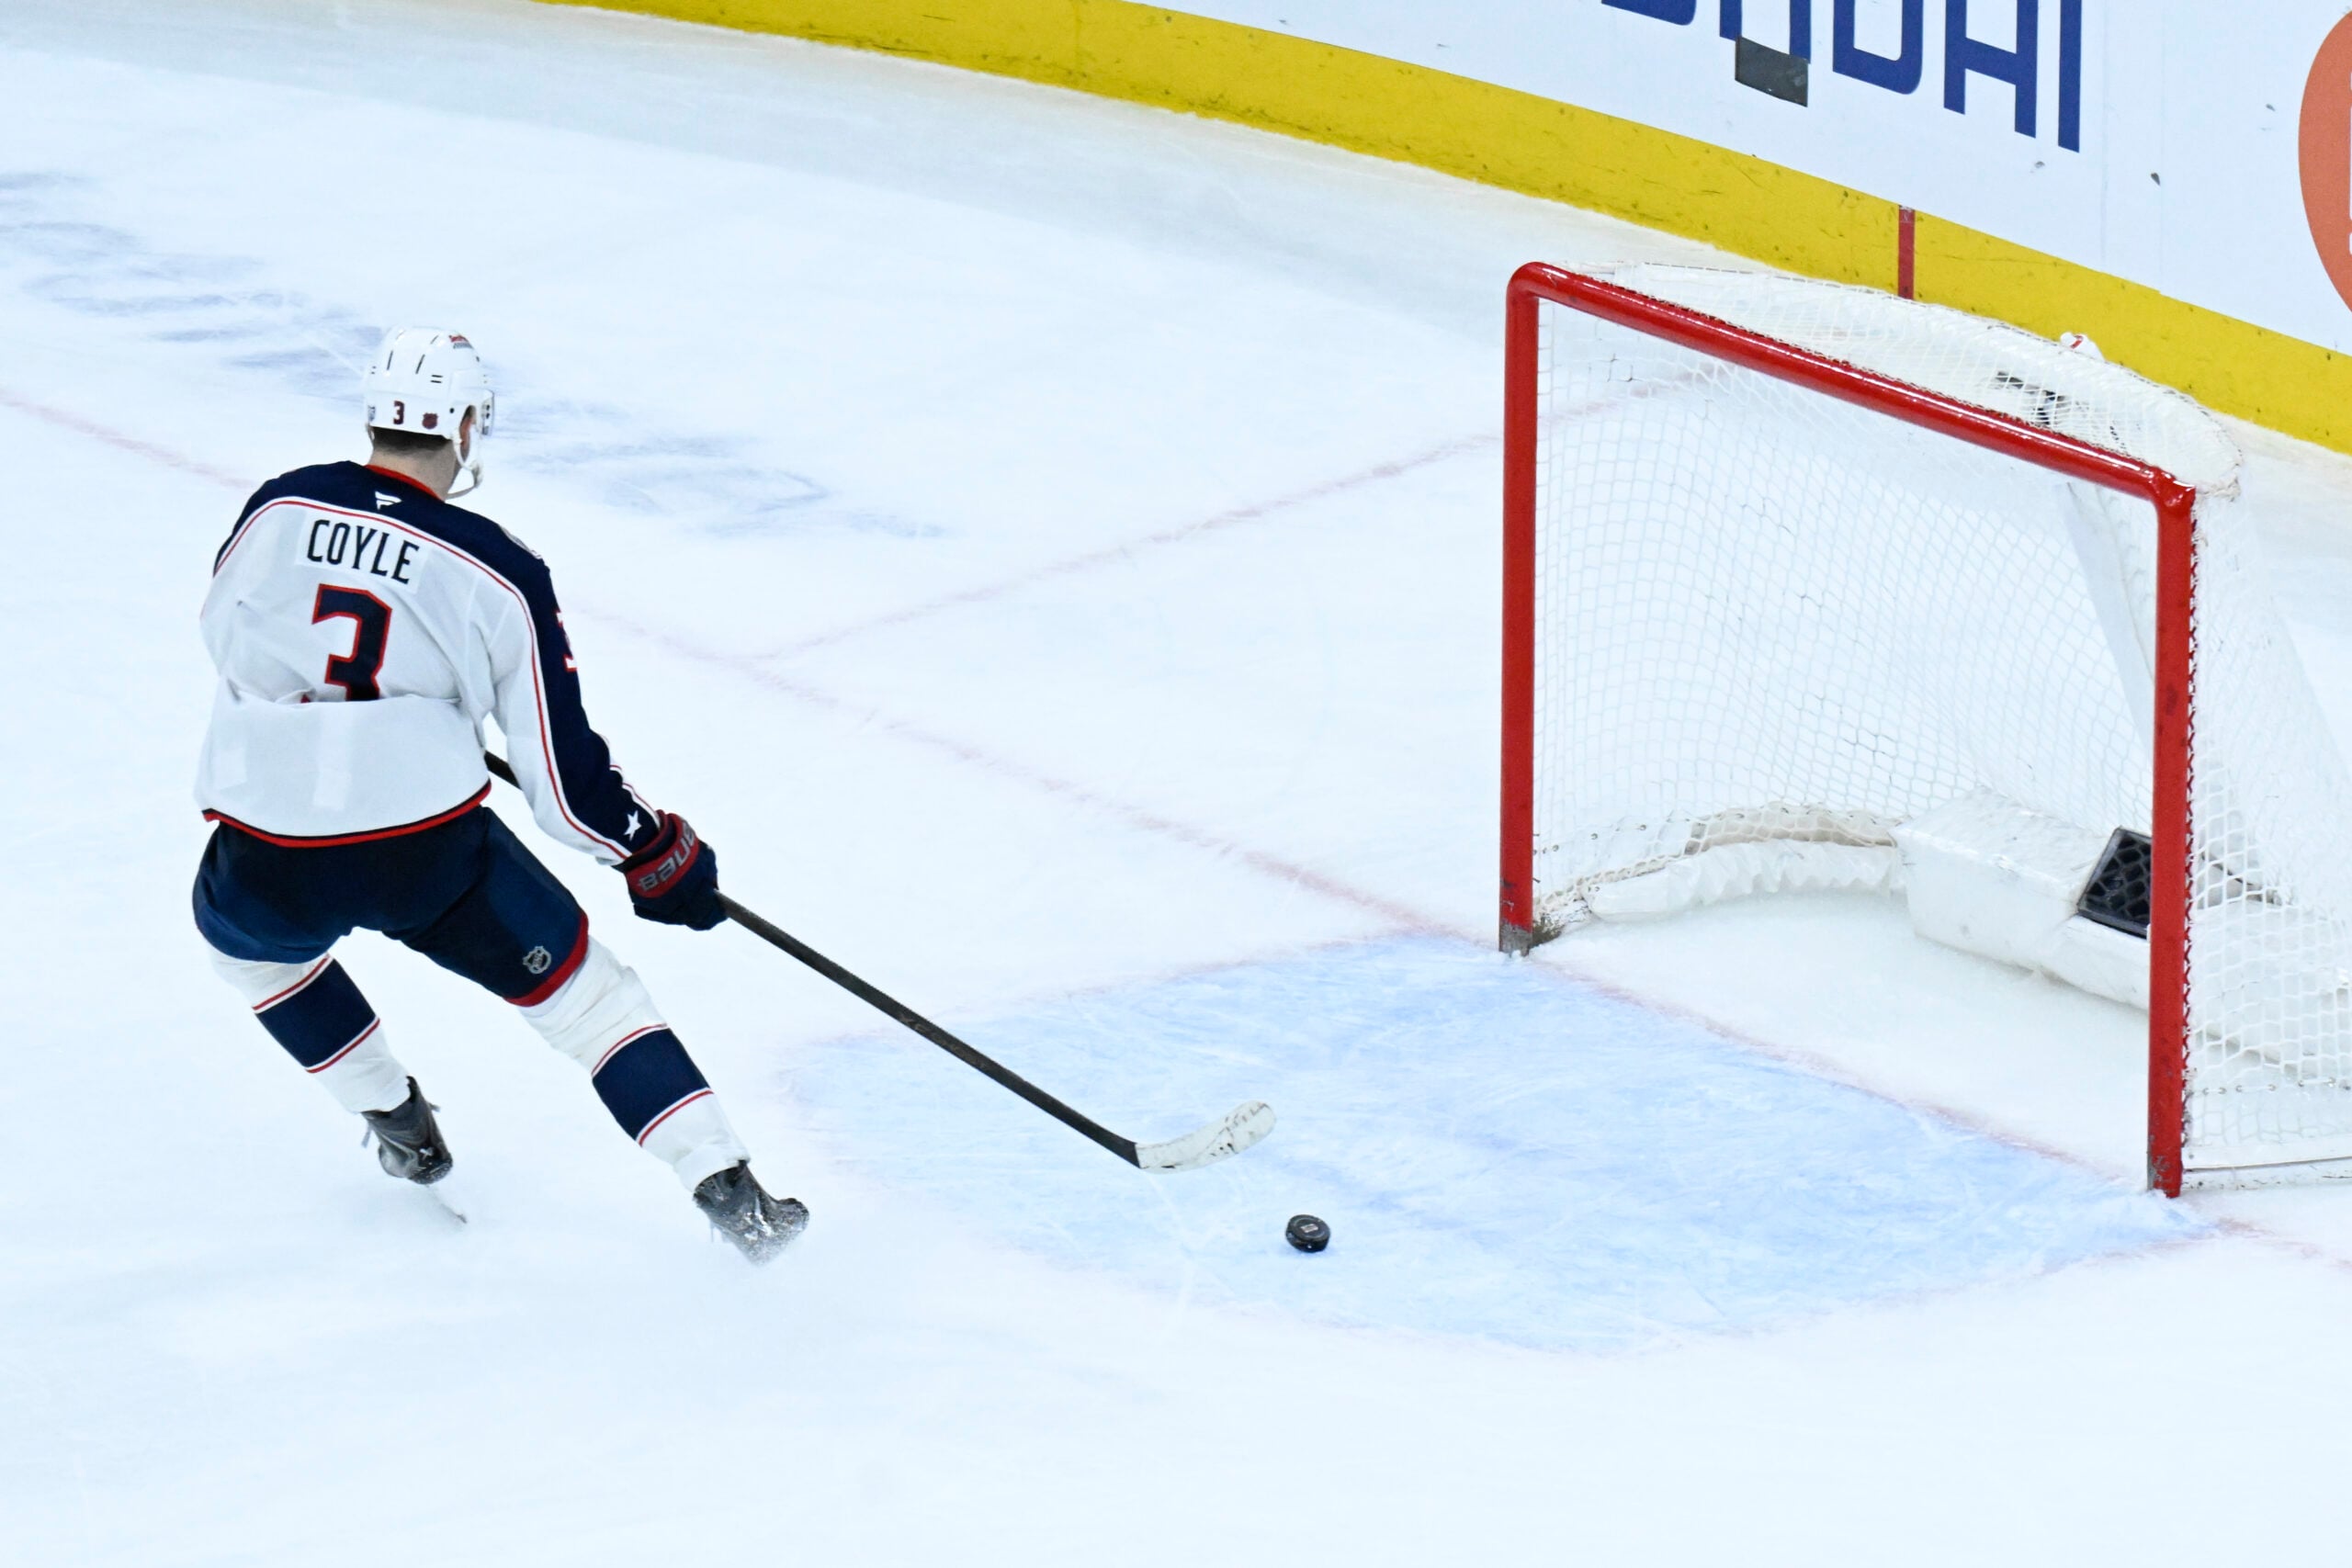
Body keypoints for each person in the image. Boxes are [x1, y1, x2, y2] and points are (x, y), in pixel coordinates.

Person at [190, 327, 804, 1262]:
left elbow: (226, 636)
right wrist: (657, 855)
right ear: (467, 426)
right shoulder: (495, 565)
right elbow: (564, 788)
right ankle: (734, 1195)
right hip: (426, 857)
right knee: (592, 1008)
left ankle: (399, 1126)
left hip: (266, 848)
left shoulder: (278, 506)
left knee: (259, 959)